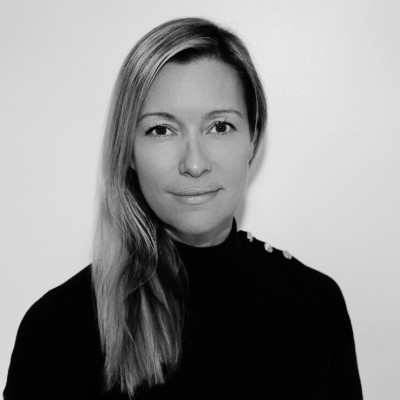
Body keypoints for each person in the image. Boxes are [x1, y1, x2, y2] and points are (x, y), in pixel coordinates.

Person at [4, 17, 363, 400]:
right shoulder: (59, 329)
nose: (194, 163)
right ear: (128, 151)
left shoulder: (316, 304)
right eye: (161, 130)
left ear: (253, 138)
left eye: (220, 126)